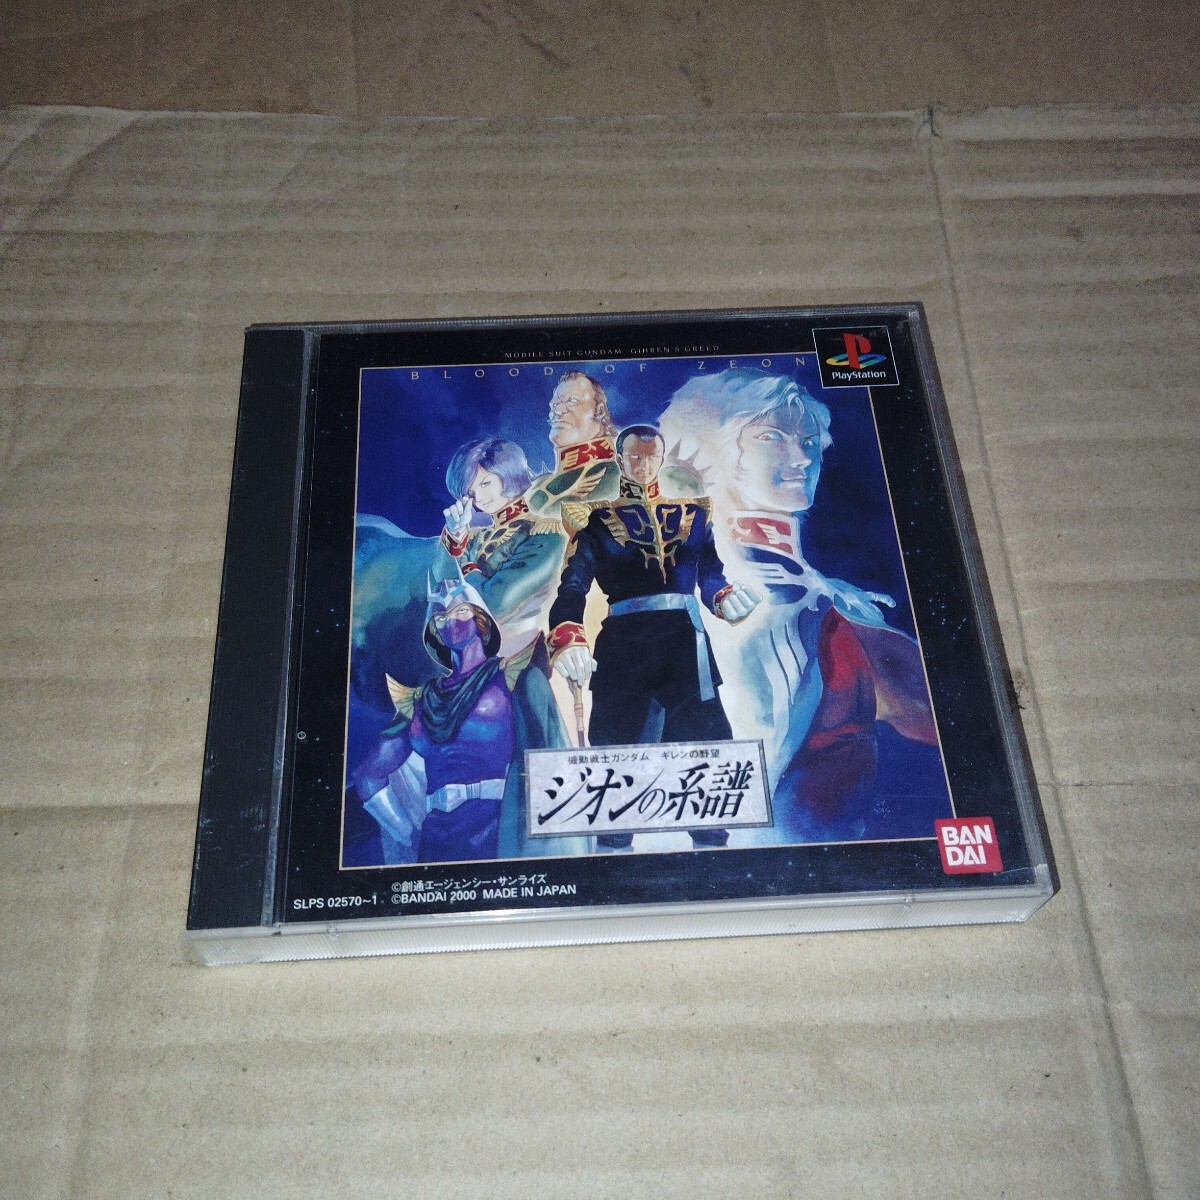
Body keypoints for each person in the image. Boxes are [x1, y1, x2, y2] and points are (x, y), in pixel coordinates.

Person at [658, 367, 945, 843]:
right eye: (771, 437)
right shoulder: (687, 589)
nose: (802, 458)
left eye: (809, 443)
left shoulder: (828, 597)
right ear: (709, 448)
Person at [547, 424, 760, 849]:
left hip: (687, 649)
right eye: (635, 456)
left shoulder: (695, 517)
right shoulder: (596, 522)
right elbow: (572, 587)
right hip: (625, 649)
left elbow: (710, 574)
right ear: (619, 459)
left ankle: (714, 863)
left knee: (708, 766)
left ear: (661, 459)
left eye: (651, 457)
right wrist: (569, 636)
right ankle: (612, 864)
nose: (643, 465)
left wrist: (723, 596)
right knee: (616, 766)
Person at [351, 582, 579, 864]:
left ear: (481, 620)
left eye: (460, 612)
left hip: (500, 831)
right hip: (436, 840)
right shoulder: (423, 699)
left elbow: (552, 758)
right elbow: (367, 775)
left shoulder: (513, 677)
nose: (449, 622)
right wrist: (405, 832)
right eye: (440, 618)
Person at [435, 437, 566, 659]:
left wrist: (466, 565)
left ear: (509, 473)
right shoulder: (476, 535)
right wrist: (455, 534)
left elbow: (495, 603)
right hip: (474, 655)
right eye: (470, 492)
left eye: (485, 483)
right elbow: (443, 583)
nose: (479, 499)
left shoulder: (545, 531)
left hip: (523, 656)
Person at [525, 371, 622, 516]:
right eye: (555, 404)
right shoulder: (543, 483)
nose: (558, 411)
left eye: (572, 401)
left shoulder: (614, 477)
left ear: (600, 411)